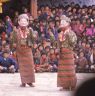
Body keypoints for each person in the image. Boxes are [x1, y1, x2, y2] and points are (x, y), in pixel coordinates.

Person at [11, 14, 35, 87]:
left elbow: (33, 40)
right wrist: (14, 48)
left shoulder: (30, 30)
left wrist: (33, 35)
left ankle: (30, 82)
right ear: (19, 22)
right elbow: (13, 41)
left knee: (30, 66)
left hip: (28, 50)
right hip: (20, 50)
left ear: (27, 22)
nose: (23, 23)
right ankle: (23, 82)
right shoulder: (15, 31)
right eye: (22, 21)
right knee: (22, 67)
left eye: (25, 21)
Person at [57, 15, 77, 91]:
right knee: (62, 71)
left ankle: (72, 85)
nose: (61, 23)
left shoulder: (71, 33)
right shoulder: (60, 33)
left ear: (68, 23)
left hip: (68, 53)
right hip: (62, 53)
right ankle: (64, 86)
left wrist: (68, 35)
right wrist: (58, 50)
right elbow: (58, 44)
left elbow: (73, 43)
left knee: (70, 70)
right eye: (61, 22)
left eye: (63, 22)